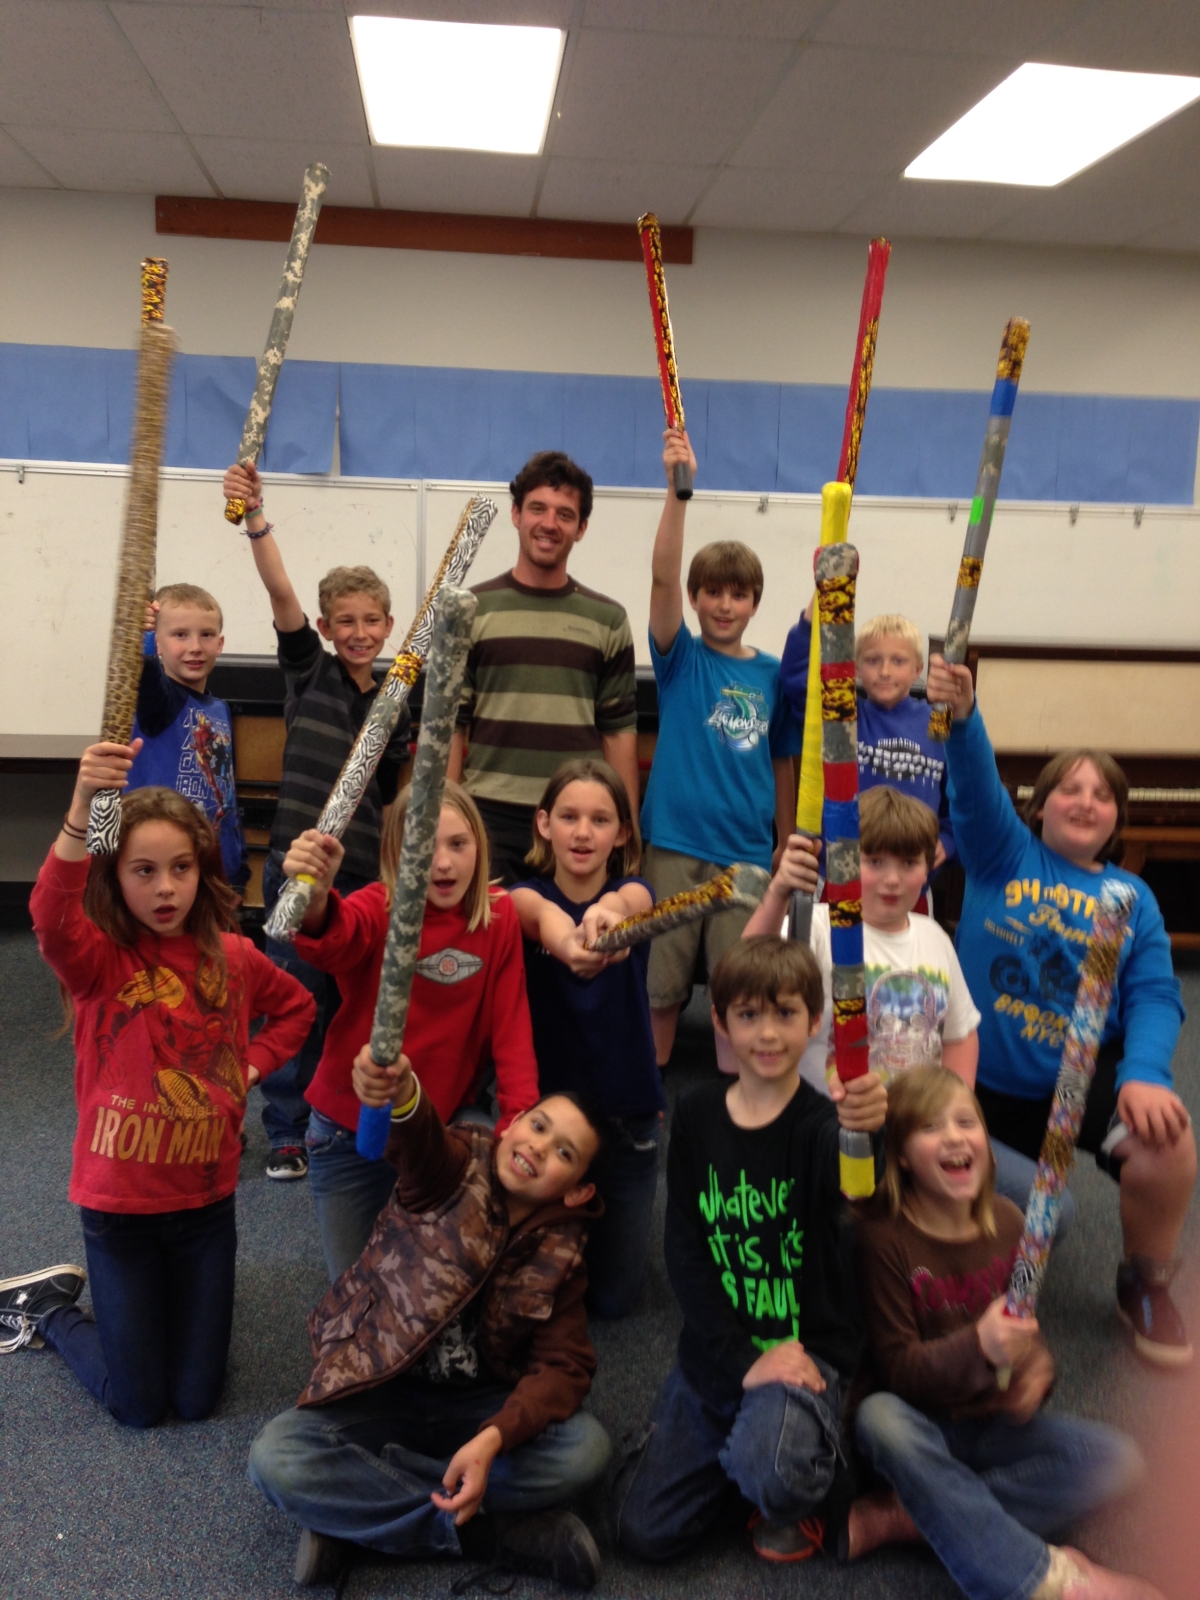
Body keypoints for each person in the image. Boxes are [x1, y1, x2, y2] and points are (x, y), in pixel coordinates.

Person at [0, 742, 313, 1428]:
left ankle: (148, 1309)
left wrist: (252, 1066)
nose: (166, 888)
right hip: (119, 1217)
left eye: (181, 869)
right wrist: (85, 808)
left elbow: (298, 1009)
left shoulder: (232, 957)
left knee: (198, 1401)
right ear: (119, 877)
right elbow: (51, 915)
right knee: (138, 1406)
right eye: (144, 871)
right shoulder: (96, 959)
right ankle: (51, 1312)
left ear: (203, 872)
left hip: (204, 1210)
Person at [247, 1045, 612, 1592]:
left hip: (475, 1409)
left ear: (579, 1188)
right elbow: (419, 1140)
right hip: (382, 1386)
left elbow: (565, 1367)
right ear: (512, 1124)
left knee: (587, 1451)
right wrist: (403, 1091)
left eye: (564, 1152)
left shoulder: (565, 1249)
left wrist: (493, 1438)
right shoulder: (457, 1164)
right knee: (276, 1458)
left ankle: (358, 1518)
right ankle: (488, 1536)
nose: (538, 1147)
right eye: (537, 1126)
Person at [926, 655, 1194, 1368]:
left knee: (1168, 1144)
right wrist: (964, 712)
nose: (1085, 800)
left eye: (1102, 794)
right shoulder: (1000, 855)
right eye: (1069, 789)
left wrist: (1144, 1074)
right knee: (959, 1211)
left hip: (1070, 1089)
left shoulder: (1134, 902)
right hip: (978, 1081)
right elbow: (976, 781)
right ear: (1039, 806)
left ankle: (1143, 1282)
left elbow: (1155, 996)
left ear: (1116, 818)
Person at [615, 937, 887, 1564]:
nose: (767, 1033)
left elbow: (858, 1189)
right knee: (642, 1532)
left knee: (771, 1469)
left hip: (804, 1355)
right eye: (747, 1015)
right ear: (719, 1021)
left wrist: (867, 1130)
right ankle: (738, 1447)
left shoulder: (823, 1127)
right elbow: (685, 1250)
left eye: (786, 1014)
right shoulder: (697, 1111)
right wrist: (740, 1359)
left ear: (814, 1022)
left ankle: (791, 1462)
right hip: (719, 1353)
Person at [849, 1066, 1163, 1600]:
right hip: (920, 1423)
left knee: (1120, 1462)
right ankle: (1041, 1579)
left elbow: (1023, 1339)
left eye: (965, 1122)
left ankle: (913, 1515)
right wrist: (977, 1347)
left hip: (990, 1420)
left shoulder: (1014, 1224)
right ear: (900, 1155)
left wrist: (1037, 1371)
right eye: (930, 1128)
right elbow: (897, 1370)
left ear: (985, 1141)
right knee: (878, 1420)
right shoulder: (882, 1240)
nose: (952, 1136)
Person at [223, 461, 411, 1181]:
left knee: (350, 1000)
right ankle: (286, 1127)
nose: (359, 632)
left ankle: (335, 1110)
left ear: (389, 626)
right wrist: (257, 521)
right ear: (328, 628)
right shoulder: (311, 672)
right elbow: (280, 591)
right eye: (346, 622)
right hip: (301, 863)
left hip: (362, 872)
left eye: (372, 621)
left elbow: (408, 783)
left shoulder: (398, 700)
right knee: (293, 991)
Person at [280, 780, 540, 1280]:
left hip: (433, 1133)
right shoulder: (377, 906)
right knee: (356, 1294)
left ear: (479, 847)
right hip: (348, 1129)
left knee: (430, 1290)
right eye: (423, 844)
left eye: (458, 844)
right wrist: (312, 891)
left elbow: (513, 1032)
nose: (442, 863)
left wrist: (515, 1124)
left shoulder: (499, 915)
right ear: (396, 852)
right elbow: (331, 938)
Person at [640, 428, 800, 1067]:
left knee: (742, 990)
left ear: (755, 602)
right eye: (712, 591)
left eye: (738, 594)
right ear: (696, 598)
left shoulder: (771, 675)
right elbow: (660, 576)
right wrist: (678, 493)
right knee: (660, 987)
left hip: (746, 858)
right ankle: (647, 1101)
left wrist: (787, 841)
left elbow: (782, 758)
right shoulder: (681, 660)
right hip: (675, 848)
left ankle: (745, 1095)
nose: (724, 604)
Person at [510, 759, 663, 1319]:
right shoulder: (523, 898)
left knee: (614, 1301)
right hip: (548, 1118)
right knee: (536, 1292)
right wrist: (570, 939)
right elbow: (541, 915)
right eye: (569, 816)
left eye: (600, 820)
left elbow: (628, 906)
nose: (582, 831)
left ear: (622, 833)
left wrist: (605, 919)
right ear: (544, 824)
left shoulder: (636, 894)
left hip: (626, 1118)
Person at [446, 450, 638, 886]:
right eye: (537, 508)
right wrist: (448, 818)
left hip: (576, 824)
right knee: (491, 951)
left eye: (565, 514)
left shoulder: (608, 619)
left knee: (573, 951)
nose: (550, 523)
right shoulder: (469, 610)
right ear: (516, 514)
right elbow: (451, 726)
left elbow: (619, 733)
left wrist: (626, 836)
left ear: (581, 528)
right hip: (487, 818)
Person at [731, 789, 980, 1096]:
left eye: (908, 862)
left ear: (927, 868)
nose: (892, 879)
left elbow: (959, 1035)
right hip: (826, 1118)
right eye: (875, 861)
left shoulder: (935, 937)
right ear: (844, 862)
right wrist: (779, 891)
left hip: (914, 1127)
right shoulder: (817, 927)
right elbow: (742, 976)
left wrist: (954, 1105)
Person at [781, 608, 954, 872]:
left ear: (918, 668)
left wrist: (949, 840)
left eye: (898, 661)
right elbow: (797, 678)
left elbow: (963, 800)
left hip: (909, 879)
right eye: (873, 660)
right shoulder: (841, 715)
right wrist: (811, 616)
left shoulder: (939, 724)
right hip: (841, 874)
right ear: (857, 668)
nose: (885, 671)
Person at [126, 582, 248, 891]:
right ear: (159, 644)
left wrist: (237, 871)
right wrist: (141, 635)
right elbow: (146, 673)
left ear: (220, 644)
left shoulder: (219, 710)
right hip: (164, 869)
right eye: (180, 635)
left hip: (215, 870)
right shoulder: (158, 702)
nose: (195, 646)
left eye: (206, 635)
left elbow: (225, 793)